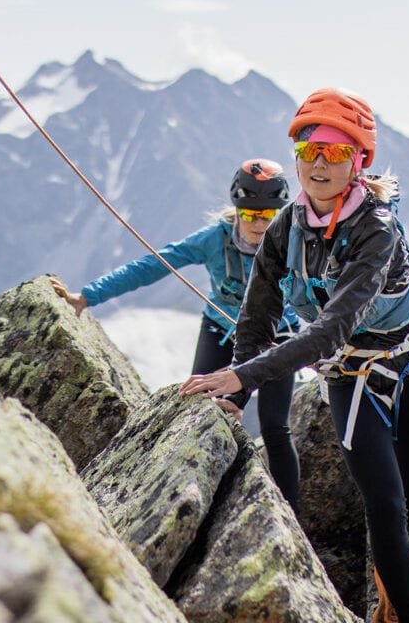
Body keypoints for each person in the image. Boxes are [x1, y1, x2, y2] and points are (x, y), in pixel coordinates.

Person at [179, 88, 409, 623]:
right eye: (308, 152)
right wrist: (241, 393)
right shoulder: (286, 228)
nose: (319, 164)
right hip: (352, 381)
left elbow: (330, 330)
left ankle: (391, 598)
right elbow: (257, 318)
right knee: (387, 510)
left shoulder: (378, 229)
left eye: (334, 152)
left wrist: (238, 376)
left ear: (358, 160)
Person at [50, 159, 305, 510]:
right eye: (250, 215)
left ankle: (291, 513)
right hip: (222, 329)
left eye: (269, 216)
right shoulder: (214, 239)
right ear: (237, 211)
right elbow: (152, 265)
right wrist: (87, 296)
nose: (259, 224)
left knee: (275, 427)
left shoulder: (294, 241)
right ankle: (194, 496)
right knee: (198, 405)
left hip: (279, 336)